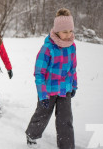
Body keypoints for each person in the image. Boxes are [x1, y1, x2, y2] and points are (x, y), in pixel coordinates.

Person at [25, 8, 77, 149]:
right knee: (42, 115)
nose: (68, 35)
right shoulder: (47, 49)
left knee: (65, 120)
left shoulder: (72, 47)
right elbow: (39, 73)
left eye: (70, 31)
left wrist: (74, 86)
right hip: (48, 91)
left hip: (65, 89)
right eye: (65, 31)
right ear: (57, 31)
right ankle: (32, 135)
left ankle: (67, 146)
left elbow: (72, 69)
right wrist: (43, 95)